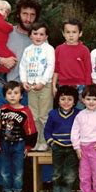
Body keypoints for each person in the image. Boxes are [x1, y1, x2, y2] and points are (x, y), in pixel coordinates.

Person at [0, 0, 41, 106]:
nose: (28, 19)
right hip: (1, 90)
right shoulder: (5, 31)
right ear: (18, 14)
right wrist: (1, 61)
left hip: (26, 94)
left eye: (32, 15)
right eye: (25, 14)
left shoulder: (40, 39)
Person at [0, 81, 37, 192]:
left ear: (21, 96)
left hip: (20, 144)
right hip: (4, 143)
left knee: (18, 169)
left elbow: (31, 129)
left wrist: (29, 146)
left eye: (16, 93)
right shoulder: (2, 109)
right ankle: (7, 190)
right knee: (4, 169)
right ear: (5, 96)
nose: (12, 96)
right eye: (9, 93)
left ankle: (18, 191)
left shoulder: (25, 111)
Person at [19, 22, 55, 151]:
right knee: (34, 116)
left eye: (41, 34)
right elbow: (22, 67)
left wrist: (43, 82)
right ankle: (36, 142)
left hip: (44, 86)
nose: (38, 36)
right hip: (31, 87)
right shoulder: (28, 50)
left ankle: (45, 141)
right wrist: (24, 81)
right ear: (30, 35)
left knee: (44, 115)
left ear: (46, 37)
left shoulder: (49, 49)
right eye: (35, 34)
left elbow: (50, 66)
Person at [44, 85, 81, 192]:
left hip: (72, 147)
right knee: (57, 172)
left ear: (75, 101)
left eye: (70, 99)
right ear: (58, 100)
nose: (66, 102)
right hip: (57, 146)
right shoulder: (53, 114)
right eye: (63, 99)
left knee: (70, 173)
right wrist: (51, 143)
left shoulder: (78, 114)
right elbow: (47, 131)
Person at [71, 85, 96, 192]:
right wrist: (77, 148)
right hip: (83, 148)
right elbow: (75, 132)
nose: (91, 102)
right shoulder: (80, 115)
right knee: (84, 173)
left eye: (94, 99)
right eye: (88, 99)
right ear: (83, 100)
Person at [52, 18, 92, 107]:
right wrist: (54, 85)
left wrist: (88, 88)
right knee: (64, 111)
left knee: (79, 111)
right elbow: (56, 69)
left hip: (80, 86)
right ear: (63, 33)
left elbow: (88, 71)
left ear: (80, 33)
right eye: (68, 32)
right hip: (63, 85)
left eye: (74, 32)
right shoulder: (59, 49)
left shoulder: (84, 50)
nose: (71, 35)